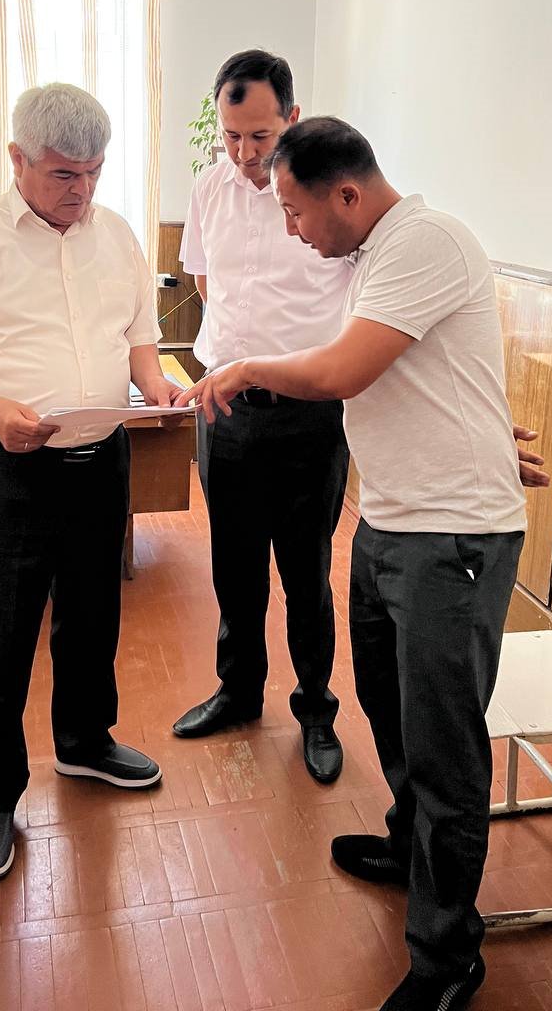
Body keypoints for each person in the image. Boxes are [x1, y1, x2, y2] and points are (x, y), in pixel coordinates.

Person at [179, 116, 543, 1011]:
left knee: (445, 745)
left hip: (450, 535)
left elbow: (345, 371)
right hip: (391, 519)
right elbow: (432, 370)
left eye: (297, 212)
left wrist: (243, 369)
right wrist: (484, 427)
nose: (293, 230)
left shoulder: (425, 241)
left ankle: (447, 958)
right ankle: (408, 845)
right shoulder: (373, 255)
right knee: (389, 705)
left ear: (346, 193)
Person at [0, 83, 174, 883]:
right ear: (17, 159)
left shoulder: (115, 235)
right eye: (63, 174)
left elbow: (138, 337)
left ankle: (84, 743)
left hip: (100, 460)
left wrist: (155, 387)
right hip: (7, 468)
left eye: (94, 171)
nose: (82, 189)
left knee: (92, 614)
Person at [173, 50, 353, 783]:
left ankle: (316, 710)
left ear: (292, 118)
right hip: (224, 409)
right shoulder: (208, 188)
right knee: (234, 565)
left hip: (309, 413)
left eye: (260, 136)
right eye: (231, 136)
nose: (245, 153)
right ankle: (239, 691)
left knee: (306, 572)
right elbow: (205, 279)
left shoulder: (323, 195)